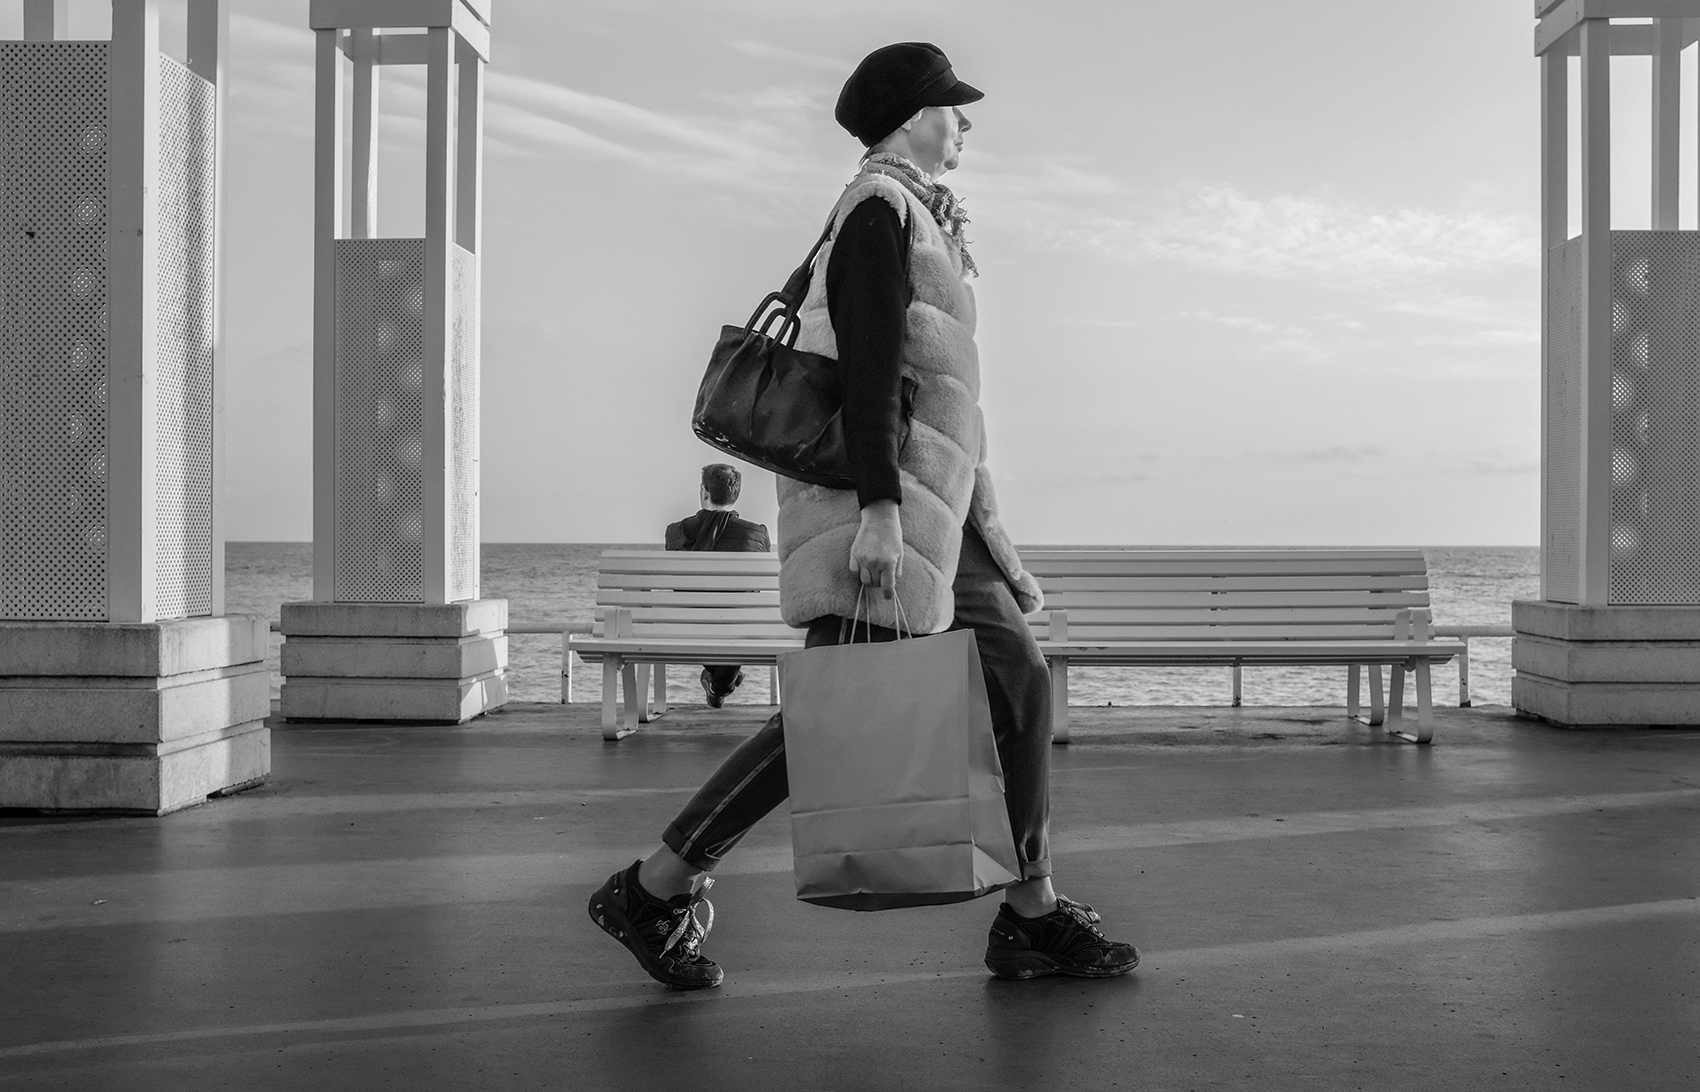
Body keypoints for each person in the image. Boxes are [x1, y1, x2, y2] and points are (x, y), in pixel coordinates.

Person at [589, 42, 1139, 989]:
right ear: (914, 116)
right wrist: (883, 508)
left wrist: (980, 527)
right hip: (880, 511)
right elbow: (873, 372)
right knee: (832, 720)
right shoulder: (878, 211)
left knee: (1017, 680)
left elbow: (941, 400)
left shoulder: (915, 215)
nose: (966, 122)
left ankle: (1032, 909)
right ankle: (654, 886)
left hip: (937, 517)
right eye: (954, 108)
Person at [664, 463, 771, 707]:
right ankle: (721, 685)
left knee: (705, 617)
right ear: (736, 495)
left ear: (704, 492)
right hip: (739, 626)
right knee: (739, 619)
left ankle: (722, 683)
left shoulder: (674, 532)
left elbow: (678, 587)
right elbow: (755, 589)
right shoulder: (757, 534)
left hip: (688, 626)